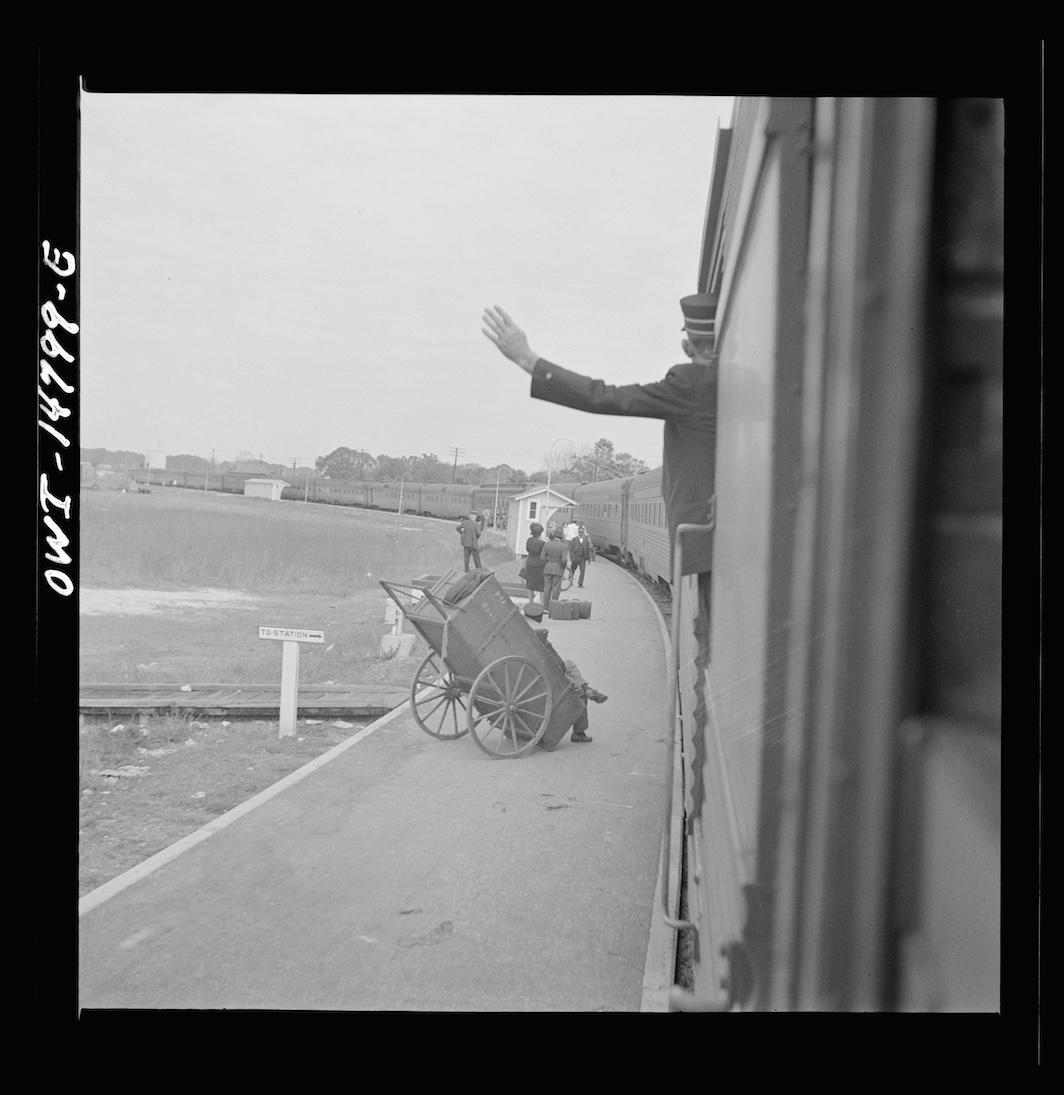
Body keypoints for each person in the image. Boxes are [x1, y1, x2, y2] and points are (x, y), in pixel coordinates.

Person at [482, 295, 718, 625]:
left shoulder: (691, 383)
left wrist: (528, 359)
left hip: (706, 545)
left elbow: (604, 397)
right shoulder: (747, 378)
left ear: (687, 345)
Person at [542, 527, 569, 608]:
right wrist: (563, 568)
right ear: (562, 537)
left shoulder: (547, 544)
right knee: (556, 589)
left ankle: (545, 606)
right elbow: (564, 560)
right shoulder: (564, 546)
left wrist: (548, 563)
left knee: (547, 588)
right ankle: (553, 607)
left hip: (548, 568)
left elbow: (542, 557)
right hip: (558, 569)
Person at [523, 521, 547, 604]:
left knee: (530, 585)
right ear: (540, 533)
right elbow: (544, 554)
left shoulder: (529, 540)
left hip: (530, 563)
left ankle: (531, 602)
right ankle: (542, 604)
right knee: (541, 586)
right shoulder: (542, 543)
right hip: (540, 565)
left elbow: (527, 550)